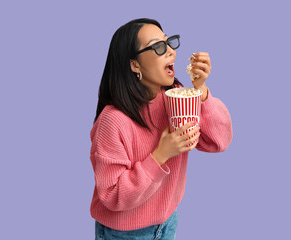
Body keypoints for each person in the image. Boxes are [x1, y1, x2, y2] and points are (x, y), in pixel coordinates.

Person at [90, 18, 233, 240]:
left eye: (168, 43)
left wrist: (201, 91)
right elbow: (112, 195)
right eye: (158, 47)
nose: (170, 52)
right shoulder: (113, 121)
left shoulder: (175, 97)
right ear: (134, 64)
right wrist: (161, 155)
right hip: (124, 233)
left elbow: (218, 141)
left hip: (167, 222)